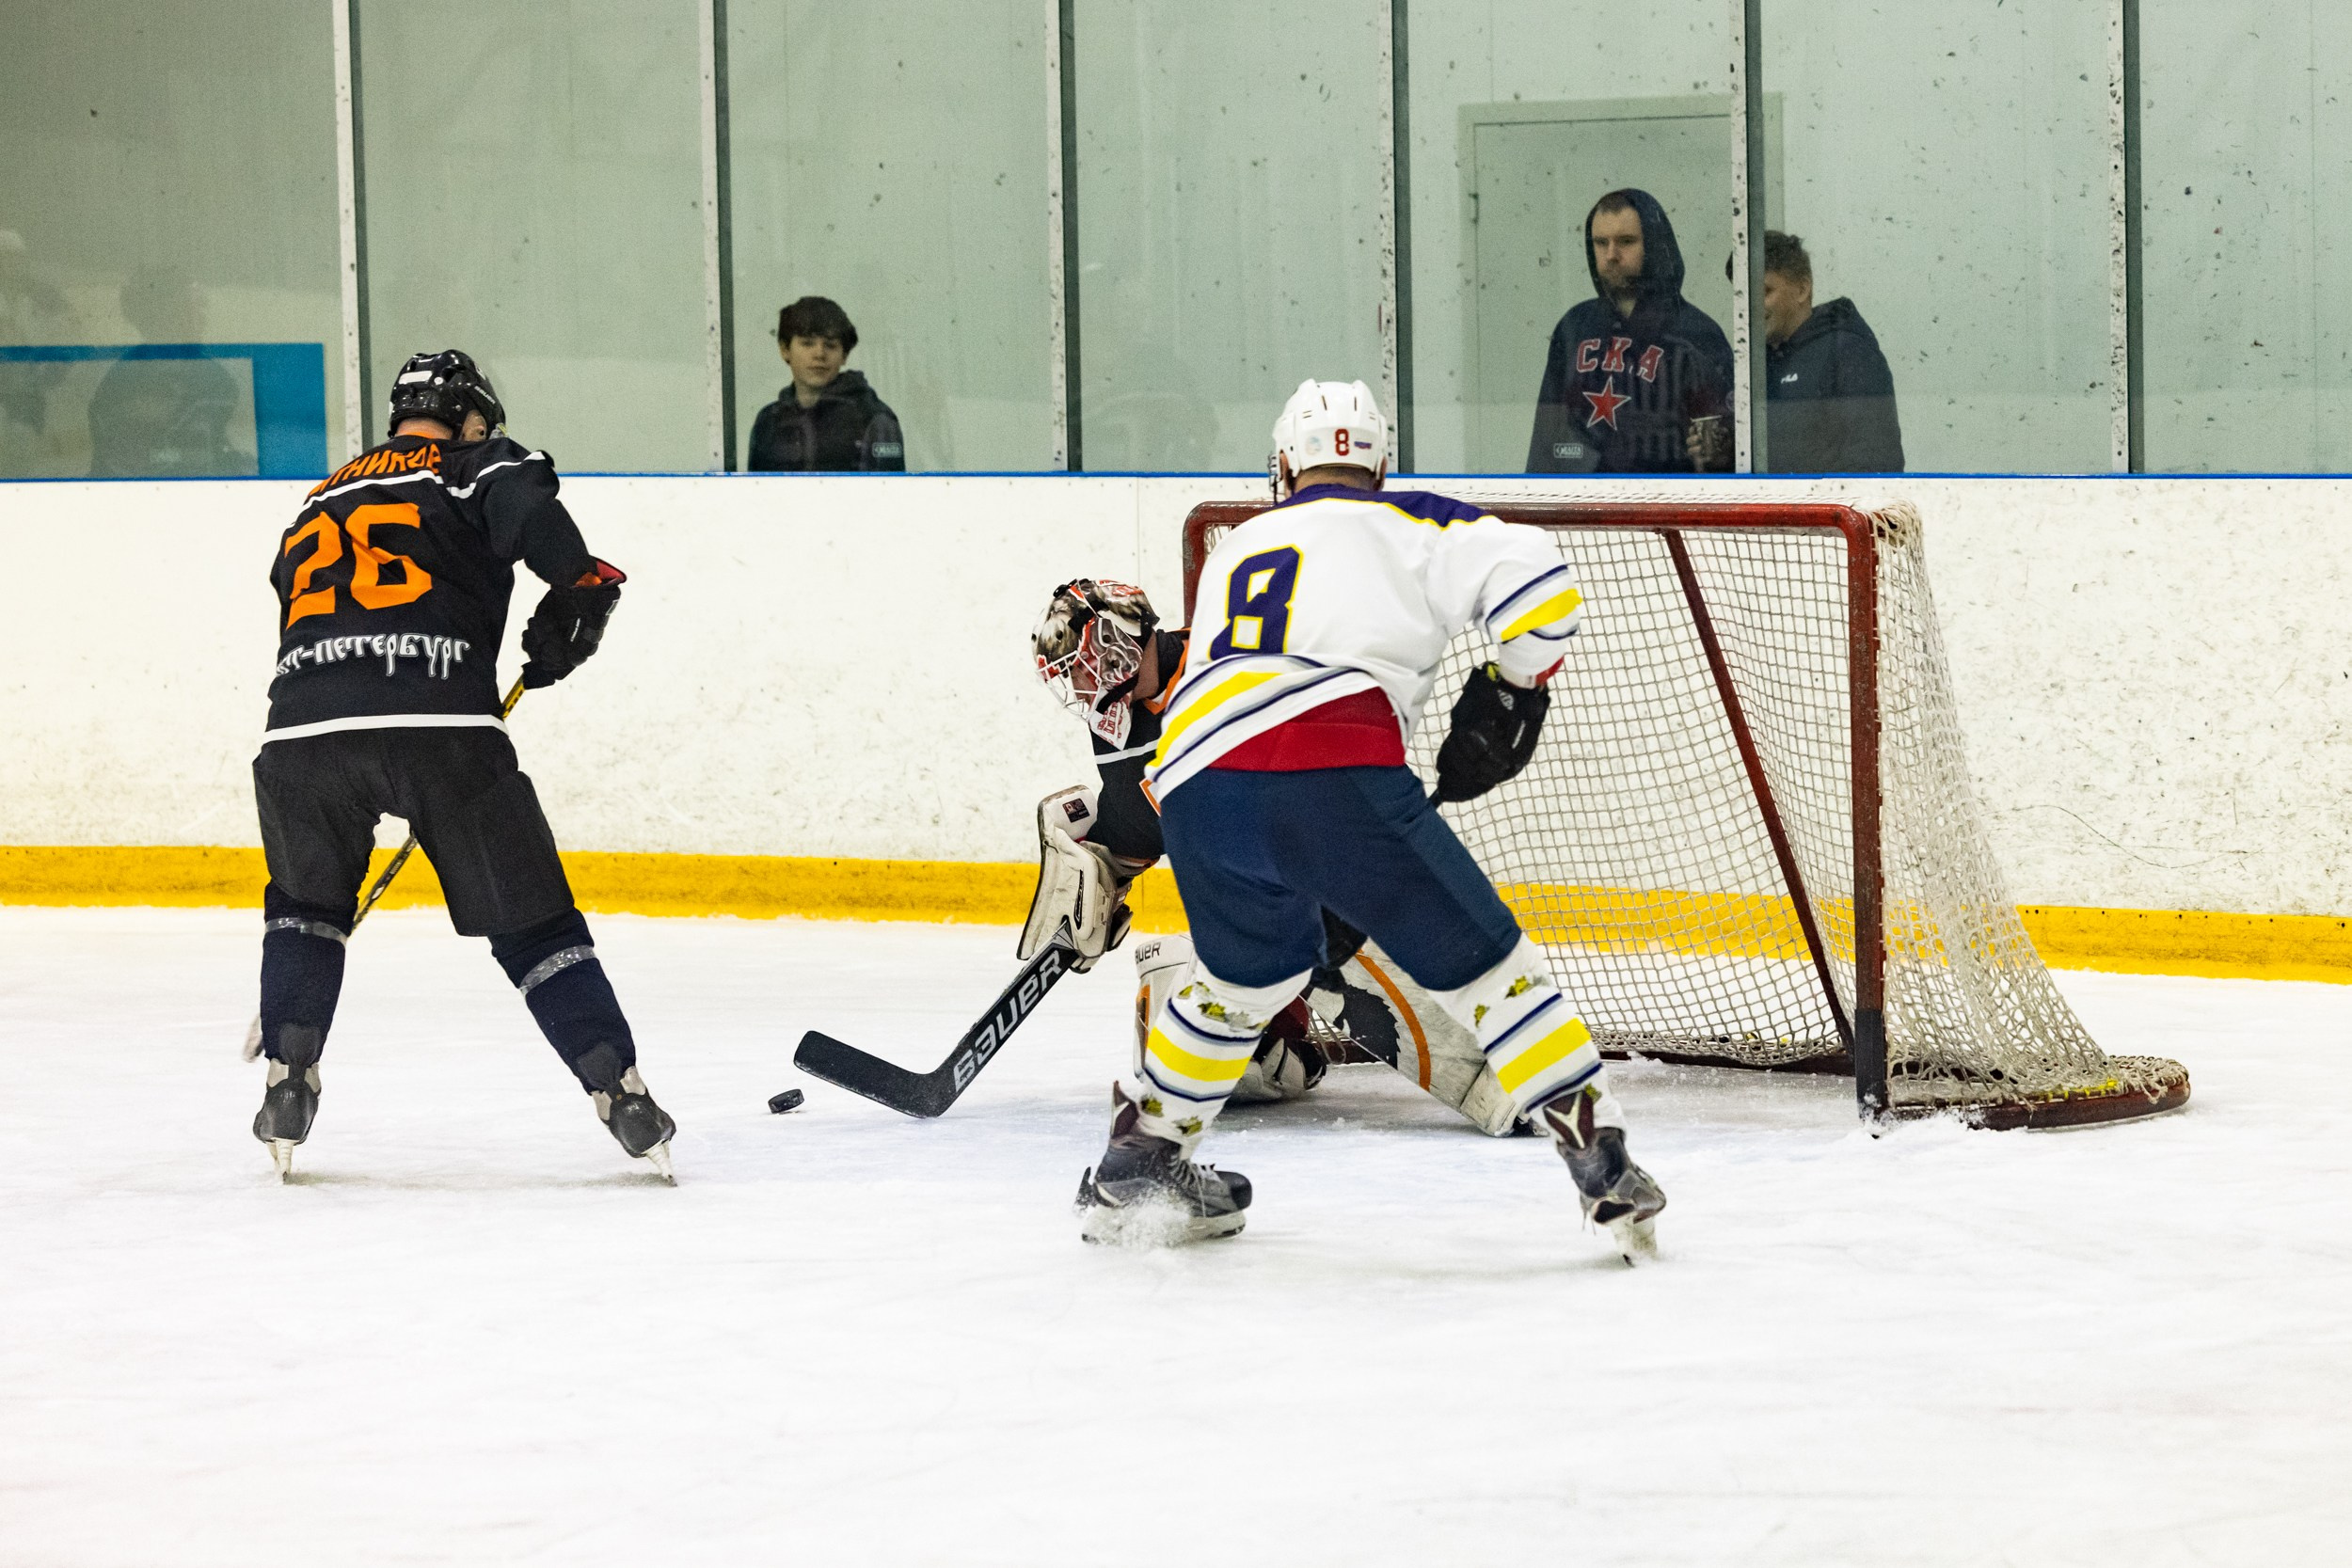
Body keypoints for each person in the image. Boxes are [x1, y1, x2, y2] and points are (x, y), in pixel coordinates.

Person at [1073, 378, 1667, 1259]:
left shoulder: (1238, 544)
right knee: (1489, 964)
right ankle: (1603, 1157)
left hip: (1195, 787)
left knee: (1245, 982)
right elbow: (1543, 586)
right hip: (1329, 758)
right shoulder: (1412, 520)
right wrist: (1510, 691)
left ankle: (1141, 1155)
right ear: (1381, 463)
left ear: (1282, 466)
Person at [248, 349, 675, 1180]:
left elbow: (296, 599)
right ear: (471, 415)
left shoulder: (317, 499)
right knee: (535, 928)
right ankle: (618, 1088)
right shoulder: (475, 462)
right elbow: (536, 520)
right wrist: (580, 589)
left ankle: (288, 1074)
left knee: (305, 908)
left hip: (299, 733)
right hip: (442, 726)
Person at [1025, 580, 1525, 1137]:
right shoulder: (1118, 728)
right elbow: (1143, 817)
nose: (1081, 688)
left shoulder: (1232, 666)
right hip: (1259, 904)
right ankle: (1275, 1049)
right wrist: (1097, 863)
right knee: (1169, 992)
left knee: (1325, 923)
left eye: (1085, 670)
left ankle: (1500, 1072)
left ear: (1117, 644)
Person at [1528, 189, 1732, 474]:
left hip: (1667, 505)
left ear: (1654, 244)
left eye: (1626, 242)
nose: (1611, 255)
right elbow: (1547, 440)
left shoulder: (1696, 334)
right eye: (1601, 243)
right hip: (1585, 503)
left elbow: (1723, 452)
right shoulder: (1575, 327)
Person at [1753, 231, 1904, 472]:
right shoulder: (1754, 362)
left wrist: (1811, 505)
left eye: (1764, 291)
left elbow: (1876, 459)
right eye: (1743, 295)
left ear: (1802, 289)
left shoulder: (1848, 352)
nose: (1751, 305)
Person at [746, 295, 905, 472]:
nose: (819, 354)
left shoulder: (873, 419)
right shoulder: (769, 421)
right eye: (807, 343)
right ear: (785, 350)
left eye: (830, 345)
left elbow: (888, 496)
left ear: (844, 355)